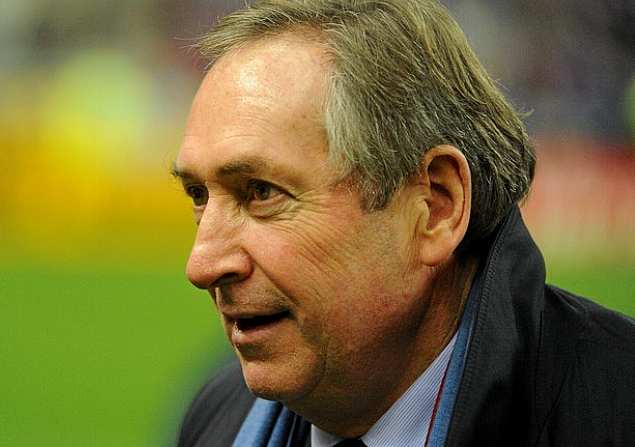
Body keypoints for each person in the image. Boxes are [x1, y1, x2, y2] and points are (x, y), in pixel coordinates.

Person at [171, 1, 635, 446]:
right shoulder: (219, 416)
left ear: (435, 206)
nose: (202, 264)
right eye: (198, 195)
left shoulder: (614, 411)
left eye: (261, 192)